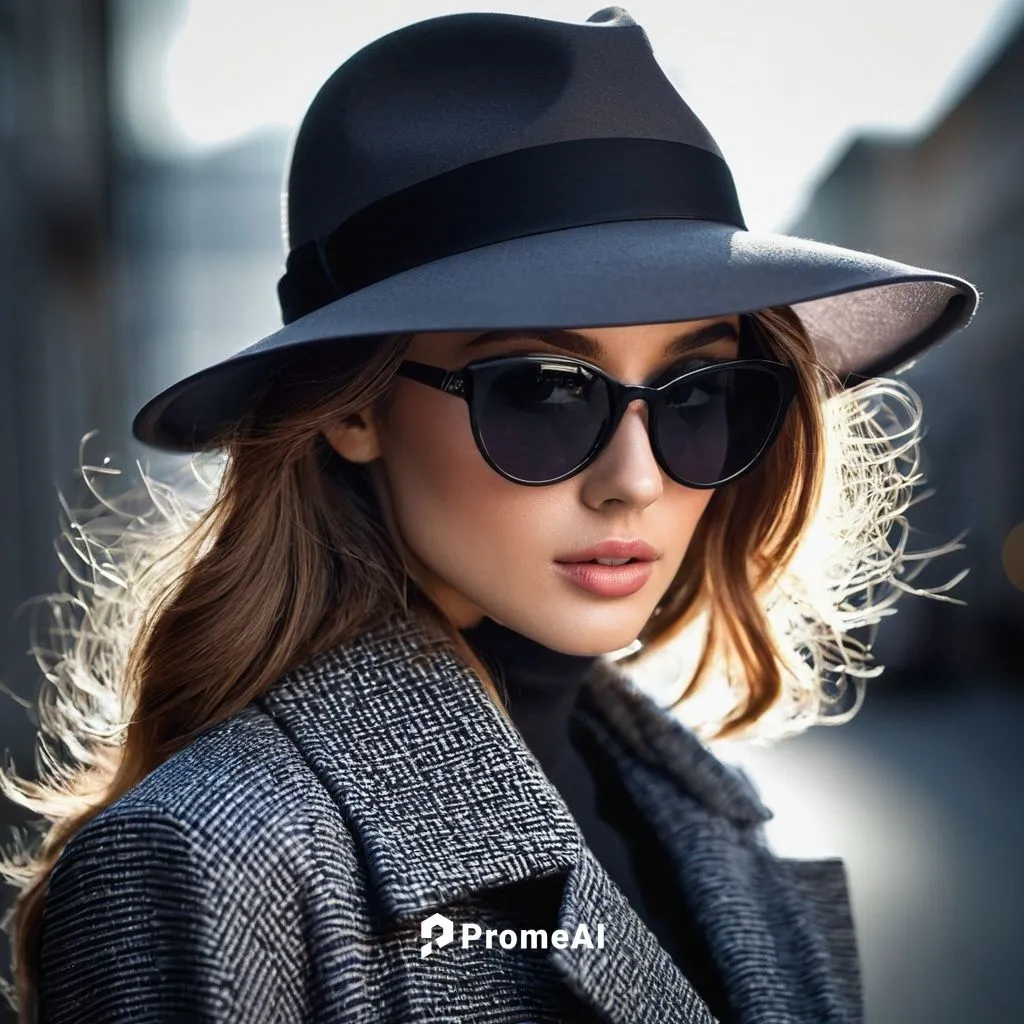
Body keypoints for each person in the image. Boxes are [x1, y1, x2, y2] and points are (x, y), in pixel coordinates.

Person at [1, 6, 977, 1023]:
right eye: (546, 391)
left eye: (695, 394)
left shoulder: (699, 812)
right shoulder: (212, 857)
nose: (634, 480)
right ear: (351, 408)